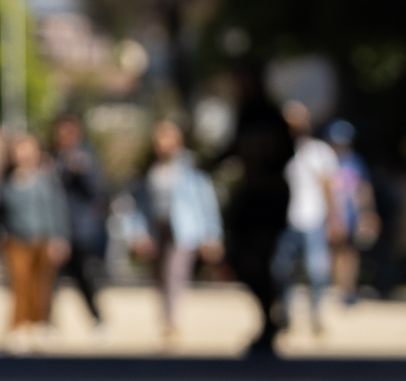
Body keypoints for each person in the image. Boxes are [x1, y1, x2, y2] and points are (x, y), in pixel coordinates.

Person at [215, 63, 293, 356]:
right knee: (239, 257)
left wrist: (264, 163)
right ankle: (271, 313)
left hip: (269, 197)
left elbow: (287, 152)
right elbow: (231, 149)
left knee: (261, 256)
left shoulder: (271, 114)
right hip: (250, 194)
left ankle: (271, 319)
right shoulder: (244, 114)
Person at [128, 119, 222, 349]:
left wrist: (212, 235)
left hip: (184, 230)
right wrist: (137, 232)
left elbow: (206, 202)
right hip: (156, 229)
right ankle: (165, 319)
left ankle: (171, 323)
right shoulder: (149, 170)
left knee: (174, 274)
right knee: (159, 277)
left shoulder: (190, 169)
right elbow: (138, 204)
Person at [0, 133, 68, 352]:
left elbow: (57, 209)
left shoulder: (46, 179)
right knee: (20, 284)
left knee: (43, 285)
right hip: (16, 240)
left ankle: (42, 324)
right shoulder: (6, 182)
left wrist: (59, 236)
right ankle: (19, 326)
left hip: (43, 239)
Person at [276, 101, 338, 334]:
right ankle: (284, 313)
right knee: (282, 270)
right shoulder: (280, 152)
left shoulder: (318, 151)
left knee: (317, 271)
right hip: (286, 220)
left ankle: (316, 313)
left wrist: (334, 218)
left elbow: (328, 186)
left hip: (313, 218)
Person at [48, 113, 107, 329]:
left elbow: (97, 192)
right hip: (54, 227)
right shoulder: (51, 157)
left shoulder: (86, 156)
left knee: (82, 276)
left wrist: (82, 171)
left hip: (79, 229)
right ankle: (48, 321)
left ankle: (96, 317)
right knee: (50, 277)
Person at [326, 121, 375, 306]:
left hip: (351, 214)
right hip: (331, 215)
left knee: (350, 253)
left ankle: (347, 290)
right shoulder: (326, 160)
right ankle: (334, 288)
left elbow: (363, 188)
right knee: (333, 253)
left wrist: (368, 212)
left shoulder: (356, 161)